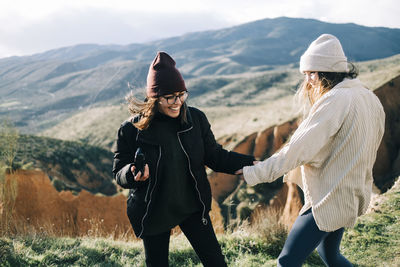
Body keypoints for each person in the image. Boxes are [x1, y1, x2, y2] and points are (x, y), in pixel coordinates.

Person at [237, 34, 385, 266]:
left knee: (286, 261)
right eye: (305, 74)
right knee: (330, 255)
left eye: (311, 73)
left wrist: (255, 172)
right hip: (351, 190)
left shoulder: (335, 100)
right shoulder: (367, 96)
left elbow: (297, 149)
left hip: (328, 197)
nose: (308, 81)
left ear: (328, 71)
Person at [112, 51, 254, 267]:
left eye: (182, 94)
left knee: (216, 263)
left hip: (192, 206)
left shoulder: (195, 119)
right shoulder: (131, 129)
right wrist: (131, 173)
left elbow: (215, 156)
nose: (177, 102)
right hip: (154, 210)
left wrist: (249, 163)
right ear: (154, 97)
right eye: (170, 97)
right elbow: (118, 172)